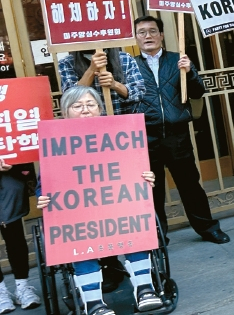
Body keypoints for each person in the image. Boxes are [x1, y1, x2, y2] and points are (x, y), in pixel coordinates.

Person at [37, 86, 162, 315]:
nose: (85, 110)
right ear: (65, 112)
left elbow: (132, 168)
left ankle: (144, 289)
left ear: (100, 109)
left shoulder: (116, 134)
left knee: (134, 225)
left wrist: (146, 178)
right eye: (77, 106)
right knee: (78, 240)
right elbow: (44, 183)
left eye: (90, 104)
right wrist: (43, 198)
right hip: (78, 214)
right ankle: (93, 302)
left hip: (116, 207)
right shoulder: (55, 141)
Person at [133, 16, 230, 245]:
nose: (148, 36)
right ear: (136, 38)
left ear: (161, 35)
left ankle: (208, 228)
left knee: (190, 186)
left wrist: (190, 72)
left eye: (153, 31)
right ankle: (156, 236)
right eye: (142, 32)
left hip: (177, 135)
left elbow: (198, 92)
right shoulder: (131, 65)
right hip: (146, 136)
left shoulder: (178, 60)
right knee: (152, 191)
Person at [0, 158, 40, 312]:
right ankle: (1, 291)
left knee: (15, 238)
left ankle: (22, 287)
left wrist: (16, 164)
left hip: (10, 183)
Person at [58, 48, 144, 115]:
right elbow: (69, 100)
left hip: (123, 124)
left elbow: (139, 93)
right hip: (86, 126)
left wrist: (115, 85)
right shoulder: (67, 62)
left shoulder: (124, 58)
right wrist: (91, 69)